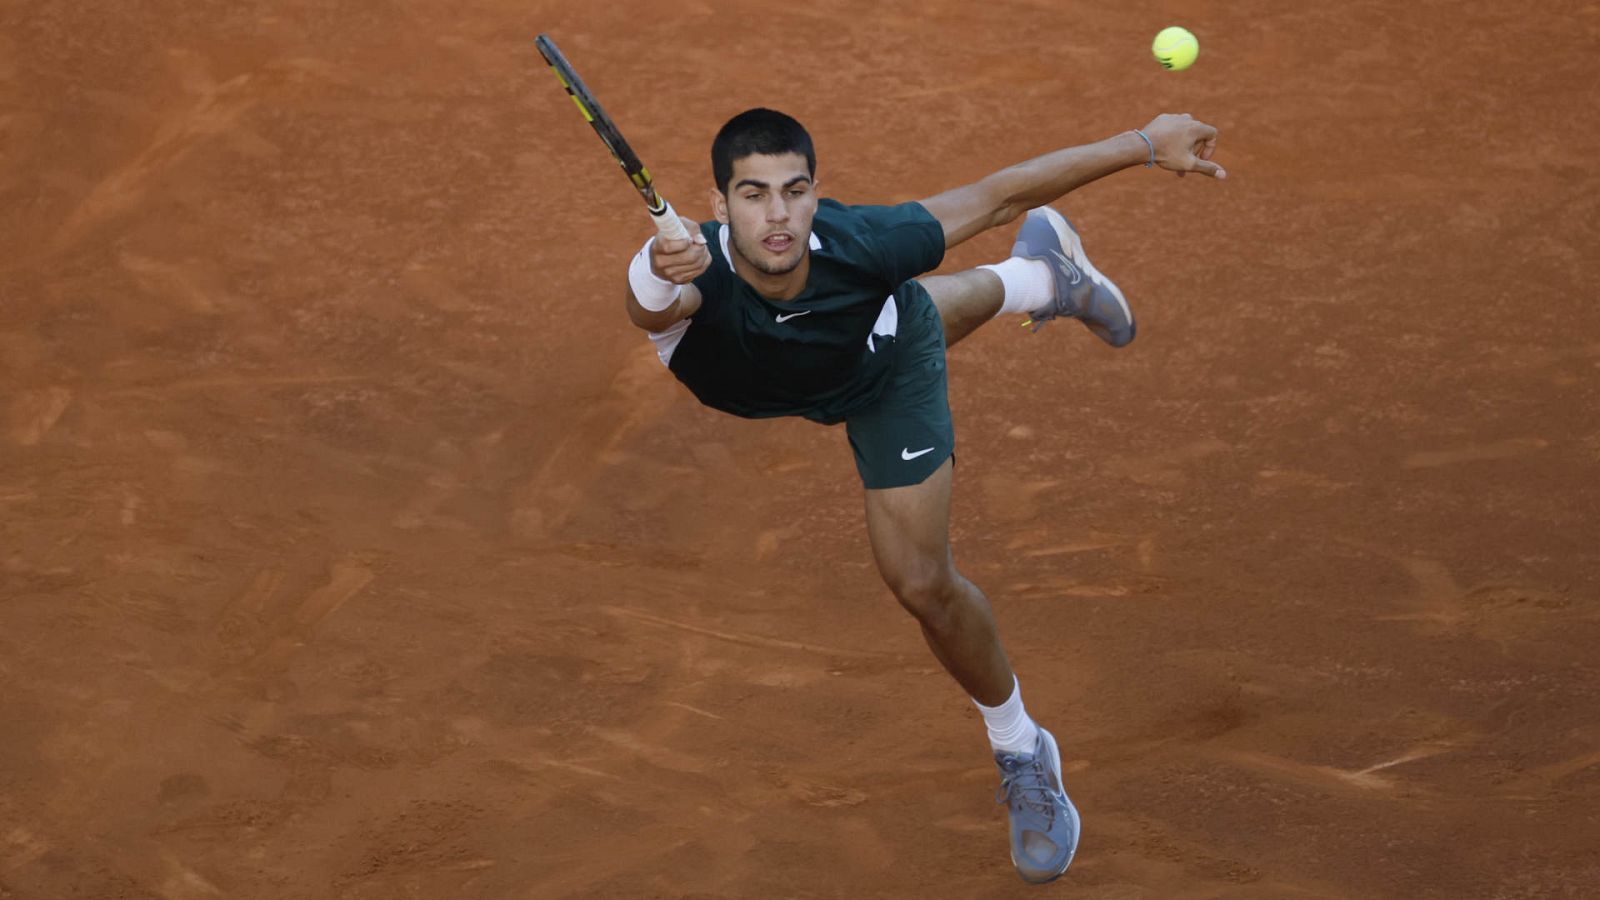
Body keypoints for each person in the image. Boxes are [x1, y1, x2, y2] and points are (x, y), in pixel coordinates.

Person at [622, 107, 1224, 884]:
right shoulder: (688, 269)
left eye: (794, 192)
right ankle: (1043, 277)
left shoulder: (864, 244)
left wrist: (1143, 144)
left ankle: (1021, 748)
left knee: (921, 581)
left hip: (882, 369)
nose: (777, 215)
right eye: (753, 194)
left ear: (816, 195)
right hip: (819, 360)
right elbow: (649, 307)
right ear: (719, 204)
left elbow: (1000, 197)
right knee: (895, 314)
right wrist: (654, 265)